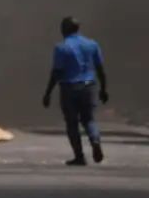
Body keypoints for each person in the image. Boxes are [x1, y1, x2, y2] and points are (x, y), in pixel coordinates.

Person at [42, 16, 109, 166]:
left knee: (72, 123)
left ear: (64, 29)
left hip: (69, 87)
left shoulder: (61, 47)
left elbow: (57, 72)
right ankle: (95, 140)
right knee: (89, 119)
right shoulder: (92, 44)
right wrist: (103, 89)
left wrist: (48, 92)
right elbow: (100, 69)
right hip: (89, 84)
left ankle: (79, 156)